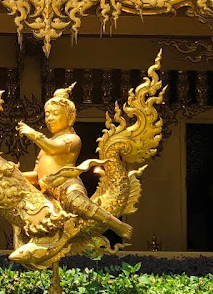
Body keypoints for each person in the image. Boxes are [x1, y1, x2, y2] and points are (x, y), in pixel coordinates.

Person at [17, 84, 133, 239]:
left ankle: (115, 223)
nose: (49, 118)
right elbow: (36, 175)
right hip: (47, 192)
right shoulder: (43, 147)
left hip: (66, 184)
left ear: (70, 117)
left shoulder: (72, 139)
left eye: (55, 114)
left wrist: (33, 134)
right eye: (47, 114)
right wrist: (14, 174)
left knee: (78, 203)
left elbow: (53, 148)